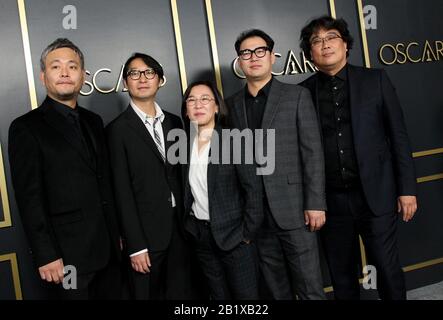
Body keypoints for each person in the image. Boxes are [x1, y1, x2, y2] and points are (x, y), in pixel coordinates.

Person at [299, 15, 418, 300]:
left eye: (331, 37)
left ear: (346, 45)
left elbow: (398, 137)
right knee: (341, 276)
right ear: (310, 53)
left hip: (375, 195)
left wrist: (407, 190)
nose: (325, 44)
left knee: (387, 270)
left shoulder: (375, 80)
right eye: (317, 40)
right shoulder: (302, 92)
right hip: (331, 201)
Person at [8, 38, 121, 299]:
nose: (65, 73)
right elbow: (29, 197)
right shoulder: (26, 127)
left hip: (108, 252)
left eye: (73, 66)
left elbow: (103, 182)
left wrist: (117, 233)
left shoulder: (94, 121)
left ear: (82, 76)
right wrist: (46, 254)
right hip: (67, 258)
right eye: (56, 67)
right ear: (42, 76)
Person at [226, 29, 326, 300]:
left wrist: (315, 203)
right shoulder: (232, 105)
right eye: (246, 53)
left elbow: (312, 152)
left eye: (260, 51)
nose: (253, 57)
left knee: (309, 287)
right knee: (275, 289)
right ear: (239, 61)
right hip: (256, 214)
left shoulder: (296, 96)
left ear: (271, 57)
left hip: (294, 208)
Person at [106, 53, 191, 299]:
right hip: (145, 237)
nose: (142, 78)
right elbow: (120, 190)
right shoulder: (117, 130)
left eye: (149, 73)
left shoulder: (175, 122)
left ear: (160, 79)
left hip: (181, 231)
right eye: (134, 73)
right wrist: (135, 245)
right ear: (125, 83)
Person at [181, 80, 263, 299]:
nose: (198, 105)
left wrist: (246, 235)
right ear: (186, 111)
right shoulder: (182, 145)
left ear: (217, 107)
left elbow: (253, 191)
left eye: (205, 99)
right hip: (201, 238)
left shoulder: (232, 141)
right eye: (191, 100)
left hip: (235, 239)